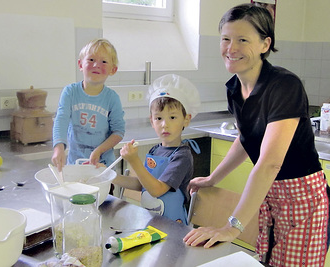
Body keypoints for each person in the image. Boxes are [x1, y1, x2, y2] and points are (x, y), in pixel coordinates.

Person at [183, 4, 329, 267]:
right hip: (269, 193)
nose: (231, 48)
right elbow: (246, 138)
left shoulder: (284, 86)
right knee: (267, 260)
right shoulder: (234, 88)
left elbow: (270, 163)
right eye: (226, 39)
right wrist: (213, 178)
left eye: (242, 40)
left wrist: (232, 227)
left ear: (265, 44)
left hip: (302, 199)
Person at [114, 74, 201, 224]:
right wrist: (110, 176)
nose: (164, 125)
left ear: (186, 119)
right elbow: (143, 184)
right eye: (159, 118)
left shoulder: (182, 156)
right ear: (152, 121)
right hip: (150, 223)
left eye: (172, 117)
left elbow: (156, 190)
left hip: (172, 228)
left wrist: (134, 161)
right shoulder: (155, 150)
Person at [52, 38, 125, 171]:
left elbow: (118, 132)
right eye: (91, 60)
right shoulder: (70, 92)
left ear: (113, 70)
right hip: (75, 167)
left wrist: (99, 150)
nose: (96, 65)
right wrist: (58, 147)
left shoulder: (112, 98)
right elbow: (61, 120)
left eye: (103, 62)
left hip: (102, 168)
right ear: (80, 64)